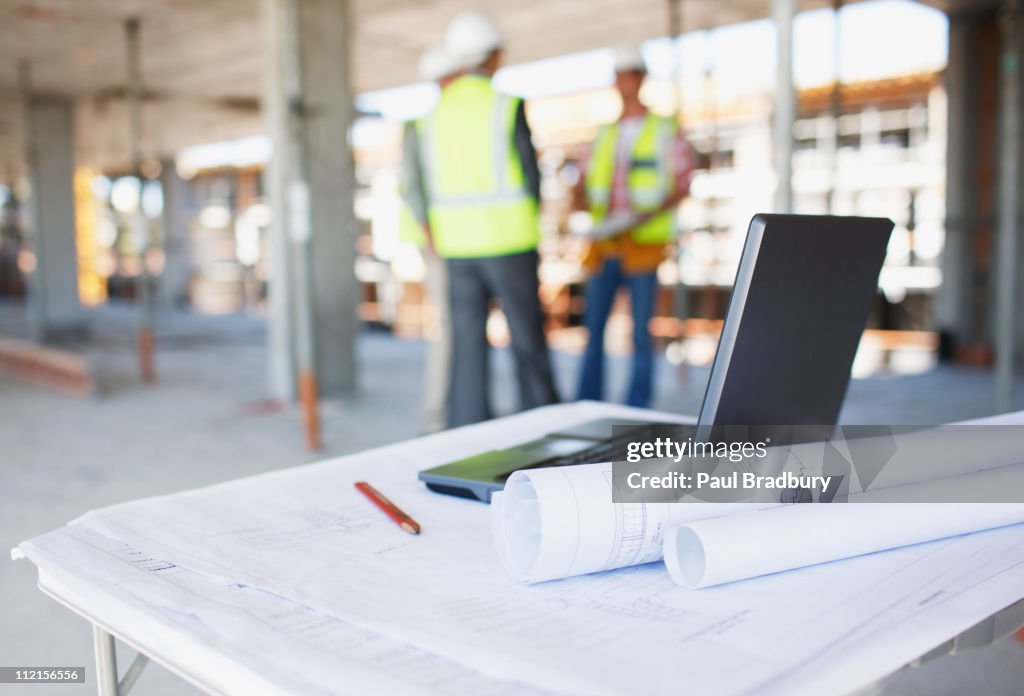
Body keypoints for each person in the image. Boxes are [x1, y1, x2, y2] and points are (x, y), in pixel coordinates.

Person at [415, 10, 560, 427]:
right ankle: (543, 426)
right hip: (509, 241)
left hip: (457, 247)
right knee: (527, 341)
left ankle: (467, 432)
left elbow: (423, 186)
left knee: (467, 351)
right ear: (492, 55)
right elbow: (531, 177)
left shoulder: (430, 117)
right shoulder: (505, 106)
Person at [575, 44, 696, 408]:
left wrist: (645, 214)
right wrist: (579, 205)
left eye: (629, 76)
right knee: (594, 329)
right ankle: (586, 403)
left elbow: (682, 183)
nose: (623, 84)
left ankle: (637, 406)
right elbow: (581, 183)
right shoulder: (604, 134)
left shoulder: (664, 129)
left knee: (641, 332)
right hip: (603, 244)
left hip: (643, 244)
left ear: (641, 79)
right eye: (619, 77)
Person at [401, 46, 461, 432]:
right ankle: (436, 416)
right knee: (449, 330)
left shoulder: (449, 125)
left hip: (466, 243)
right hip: (440, 245)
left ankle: (459, 409)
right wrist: (432, 239)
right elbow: (414, 190)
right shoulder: (423, 126)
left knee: (461, 328)